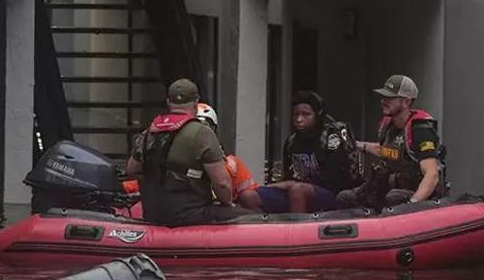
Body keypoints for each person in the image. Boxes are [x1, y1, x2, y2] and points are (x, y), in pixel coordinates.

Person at [125, 78, 252, 226]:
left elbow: (131, 169)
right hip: (191, 215)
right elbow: (222, 184)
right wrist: (228, 204)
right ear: (196, 101)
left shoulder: (149, 132)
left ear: (168, 102)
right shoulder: (202, 133)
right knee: (249, 218)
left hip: (153, 214)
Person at [336, 75, 446, 211]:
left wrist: (412, 205)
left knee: (393, 198)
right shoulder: (387, 125)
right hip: (389, 186)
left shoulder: (420, 130)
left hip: (414, 192)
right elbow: (385, 151)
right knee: (345, 198)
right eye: (383, 97)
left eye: (390, 98)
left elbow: (432, 174)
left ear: (406, 102)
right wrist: (357, 145)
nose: (383, 101)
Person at [256, 91, 363, 213]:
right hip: (295, 190)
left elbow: (335, 180)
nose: (299, 119)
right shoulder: (291, 142)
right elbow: (288, 175)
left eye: (305, 114)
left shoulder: (332, 137)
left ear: (317, 115)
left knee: (297, 190)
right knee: (251, 195)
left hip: (332, 195)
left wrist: (293, 184)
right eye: (295, 114)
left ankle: (297, 231)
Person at [195, 102, 263, 210]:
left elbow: (251, 198)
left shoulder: (232, 164)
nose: (201, 134)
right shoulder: (179, 160)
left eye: (206, 128)